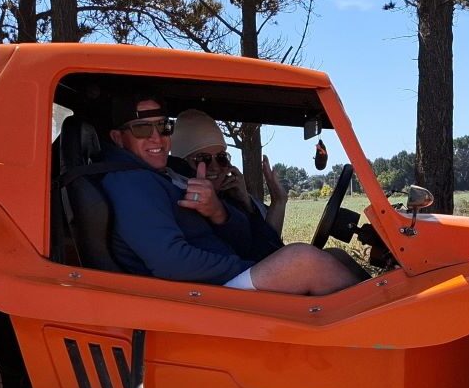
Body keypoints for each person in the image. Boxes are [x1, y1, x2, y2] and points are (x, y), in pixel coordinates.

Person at [100, 93, 364, 295]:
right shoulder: (131, 182)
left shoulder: (169, 176)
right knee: (303, 261)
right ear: (117, 137)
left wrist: (221, 211)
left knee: (334, 256)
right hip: (196, 296)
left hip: (211, 283)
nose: (157, 138)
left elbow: (249, 241)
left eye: (163, 127)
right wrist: (249, 267)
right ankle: (374, 340)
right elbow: (171, 262)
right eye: (142, 129)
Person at [170, 107, 287, 238]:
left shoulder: (231, 197)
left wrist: (249, 203)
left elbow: (267, 244)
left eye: (221, 157)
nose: (215, 167)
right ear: (182, 163)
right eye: (203, 159)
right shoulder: (180, 201)